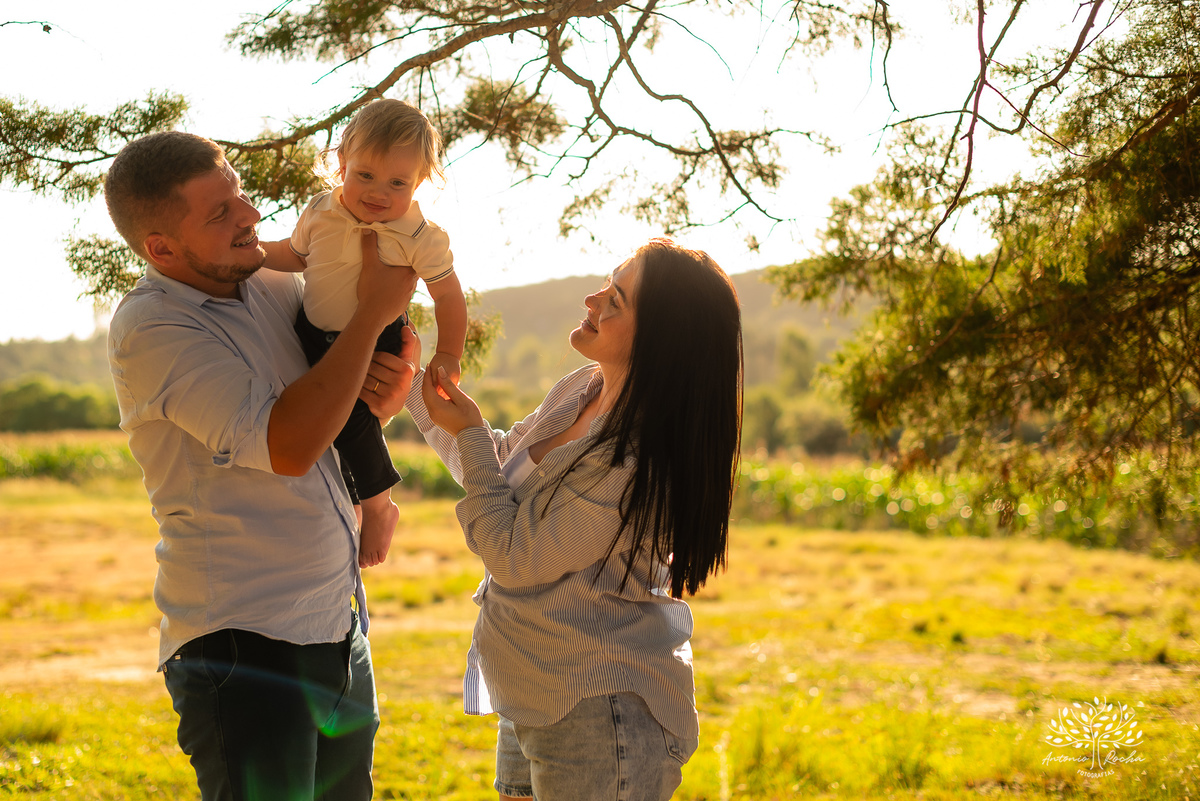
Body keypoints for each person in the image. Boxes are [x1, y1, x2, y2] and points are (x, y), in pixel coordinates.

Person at [104, 130, 420, 801]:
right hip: (242, 645)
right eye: (218, 213)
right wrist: (370, 317)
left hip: (337, 626)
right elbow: (286, 444)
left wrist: (382, 398)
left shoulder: (276, 283)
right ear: (161, 248)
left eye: (238, 195)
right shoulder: (151, 330)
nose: (249, 214)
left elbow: (330, 409)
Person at [406, 238, 743, 800]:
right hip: (531, 689)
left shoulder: (633, 461)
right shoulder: (581, 390)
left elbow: (518, 558)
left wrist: (468, 432)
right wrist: (414, 386)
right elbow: (498, 468)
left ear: (660, 338)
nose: (592, 299)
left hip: (598, 710)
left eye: (616, 298)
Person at [262, 98, 467, 568]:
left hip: (378, 339)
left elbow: (449, 298)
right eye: (365, 175)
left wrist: (449, 352)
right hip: (312, 330)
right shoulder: (321, 210)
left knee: (352, 418)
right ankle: (351, 499)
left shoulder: (421, 237)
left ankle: (379, 505)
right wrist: (250, 254)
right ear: (341, 164)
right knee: (314, 413)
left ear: (418, 183)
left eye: (398, 182)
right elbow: (293, 256)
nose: (378, 192)